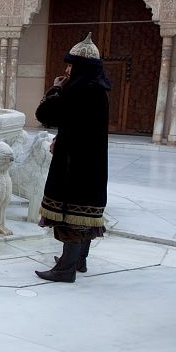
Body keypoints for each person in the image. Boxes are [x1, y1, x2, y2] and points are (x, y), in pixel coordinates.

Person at [34, 33, 111, 283]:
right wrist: (62, 137)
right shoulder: (98, 89)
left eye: (70, 65)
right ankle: (78, 260)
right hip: (91, 163)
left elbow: (45, 114)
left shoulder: (78, 90)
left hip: (73, 165)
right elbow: (78, 125)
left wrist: (56, 88)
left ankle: (65, 269)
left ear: (80, 67)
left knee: (70, 213)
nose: (67, 70)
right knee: (84, 214)